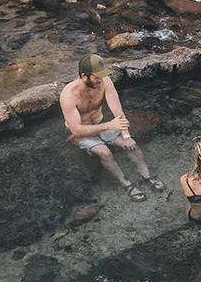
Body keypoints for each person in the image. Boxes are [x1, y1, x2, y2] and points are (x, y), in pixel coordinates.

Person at [60, 54, 165, 201]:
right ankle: (126, 183)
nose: (100, 80)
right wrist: (109, 125)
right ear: (84, 76)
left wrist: (126, 136)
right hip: (81, 133)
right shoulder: (69, 95)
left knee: (131, 146)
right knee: (105, 152)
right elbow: (76, 129)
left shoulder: (104, 82)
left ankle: (146, 176)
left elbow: (117, 110)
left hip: (101, 124)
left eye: (102, 76)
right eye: (97, 77)